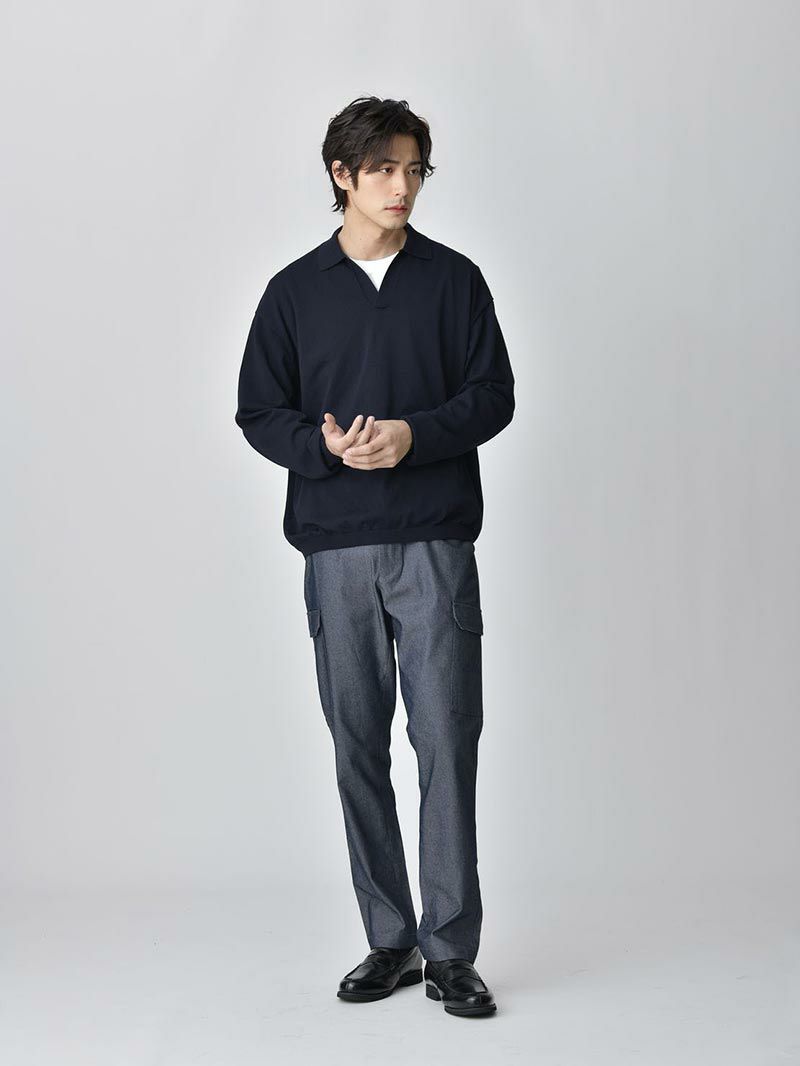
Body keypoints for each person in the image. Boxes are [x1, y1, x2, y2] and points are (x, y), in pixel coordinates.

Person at [235, 95, 515, 1018]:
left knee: (447, 741)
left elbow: (493, 395)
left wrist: (413, 435)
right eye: (384, 168)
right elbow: (258, 411)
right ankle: (390, 940)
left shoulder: (455, 281)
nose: (402, 185)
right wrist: (320, 447)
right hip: (337, 549)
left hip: (435, 541)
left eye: (414, 168)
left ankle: (451, 951)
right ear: (342, 175)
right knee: (357, 743)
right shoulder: (294, 292)